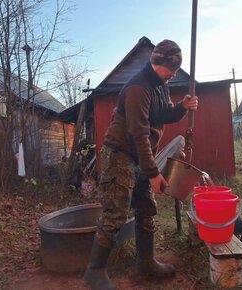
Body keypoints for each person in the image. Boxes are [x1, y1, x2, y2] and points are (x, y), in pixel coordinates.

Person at [84, 39, 198, 290]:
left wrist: (182, 107)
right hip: (121, 155)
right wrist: (154, 173)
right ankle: (94, 271)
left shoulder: (160, 86)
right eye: (173, 68)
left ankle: (146, 263)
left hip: (139, 156)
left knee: (146, 208)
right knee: (115, 213)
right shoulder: (138, 87)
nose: (175, 73)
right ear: (159, 63)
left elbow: (164, 114)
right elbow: (139, 135)